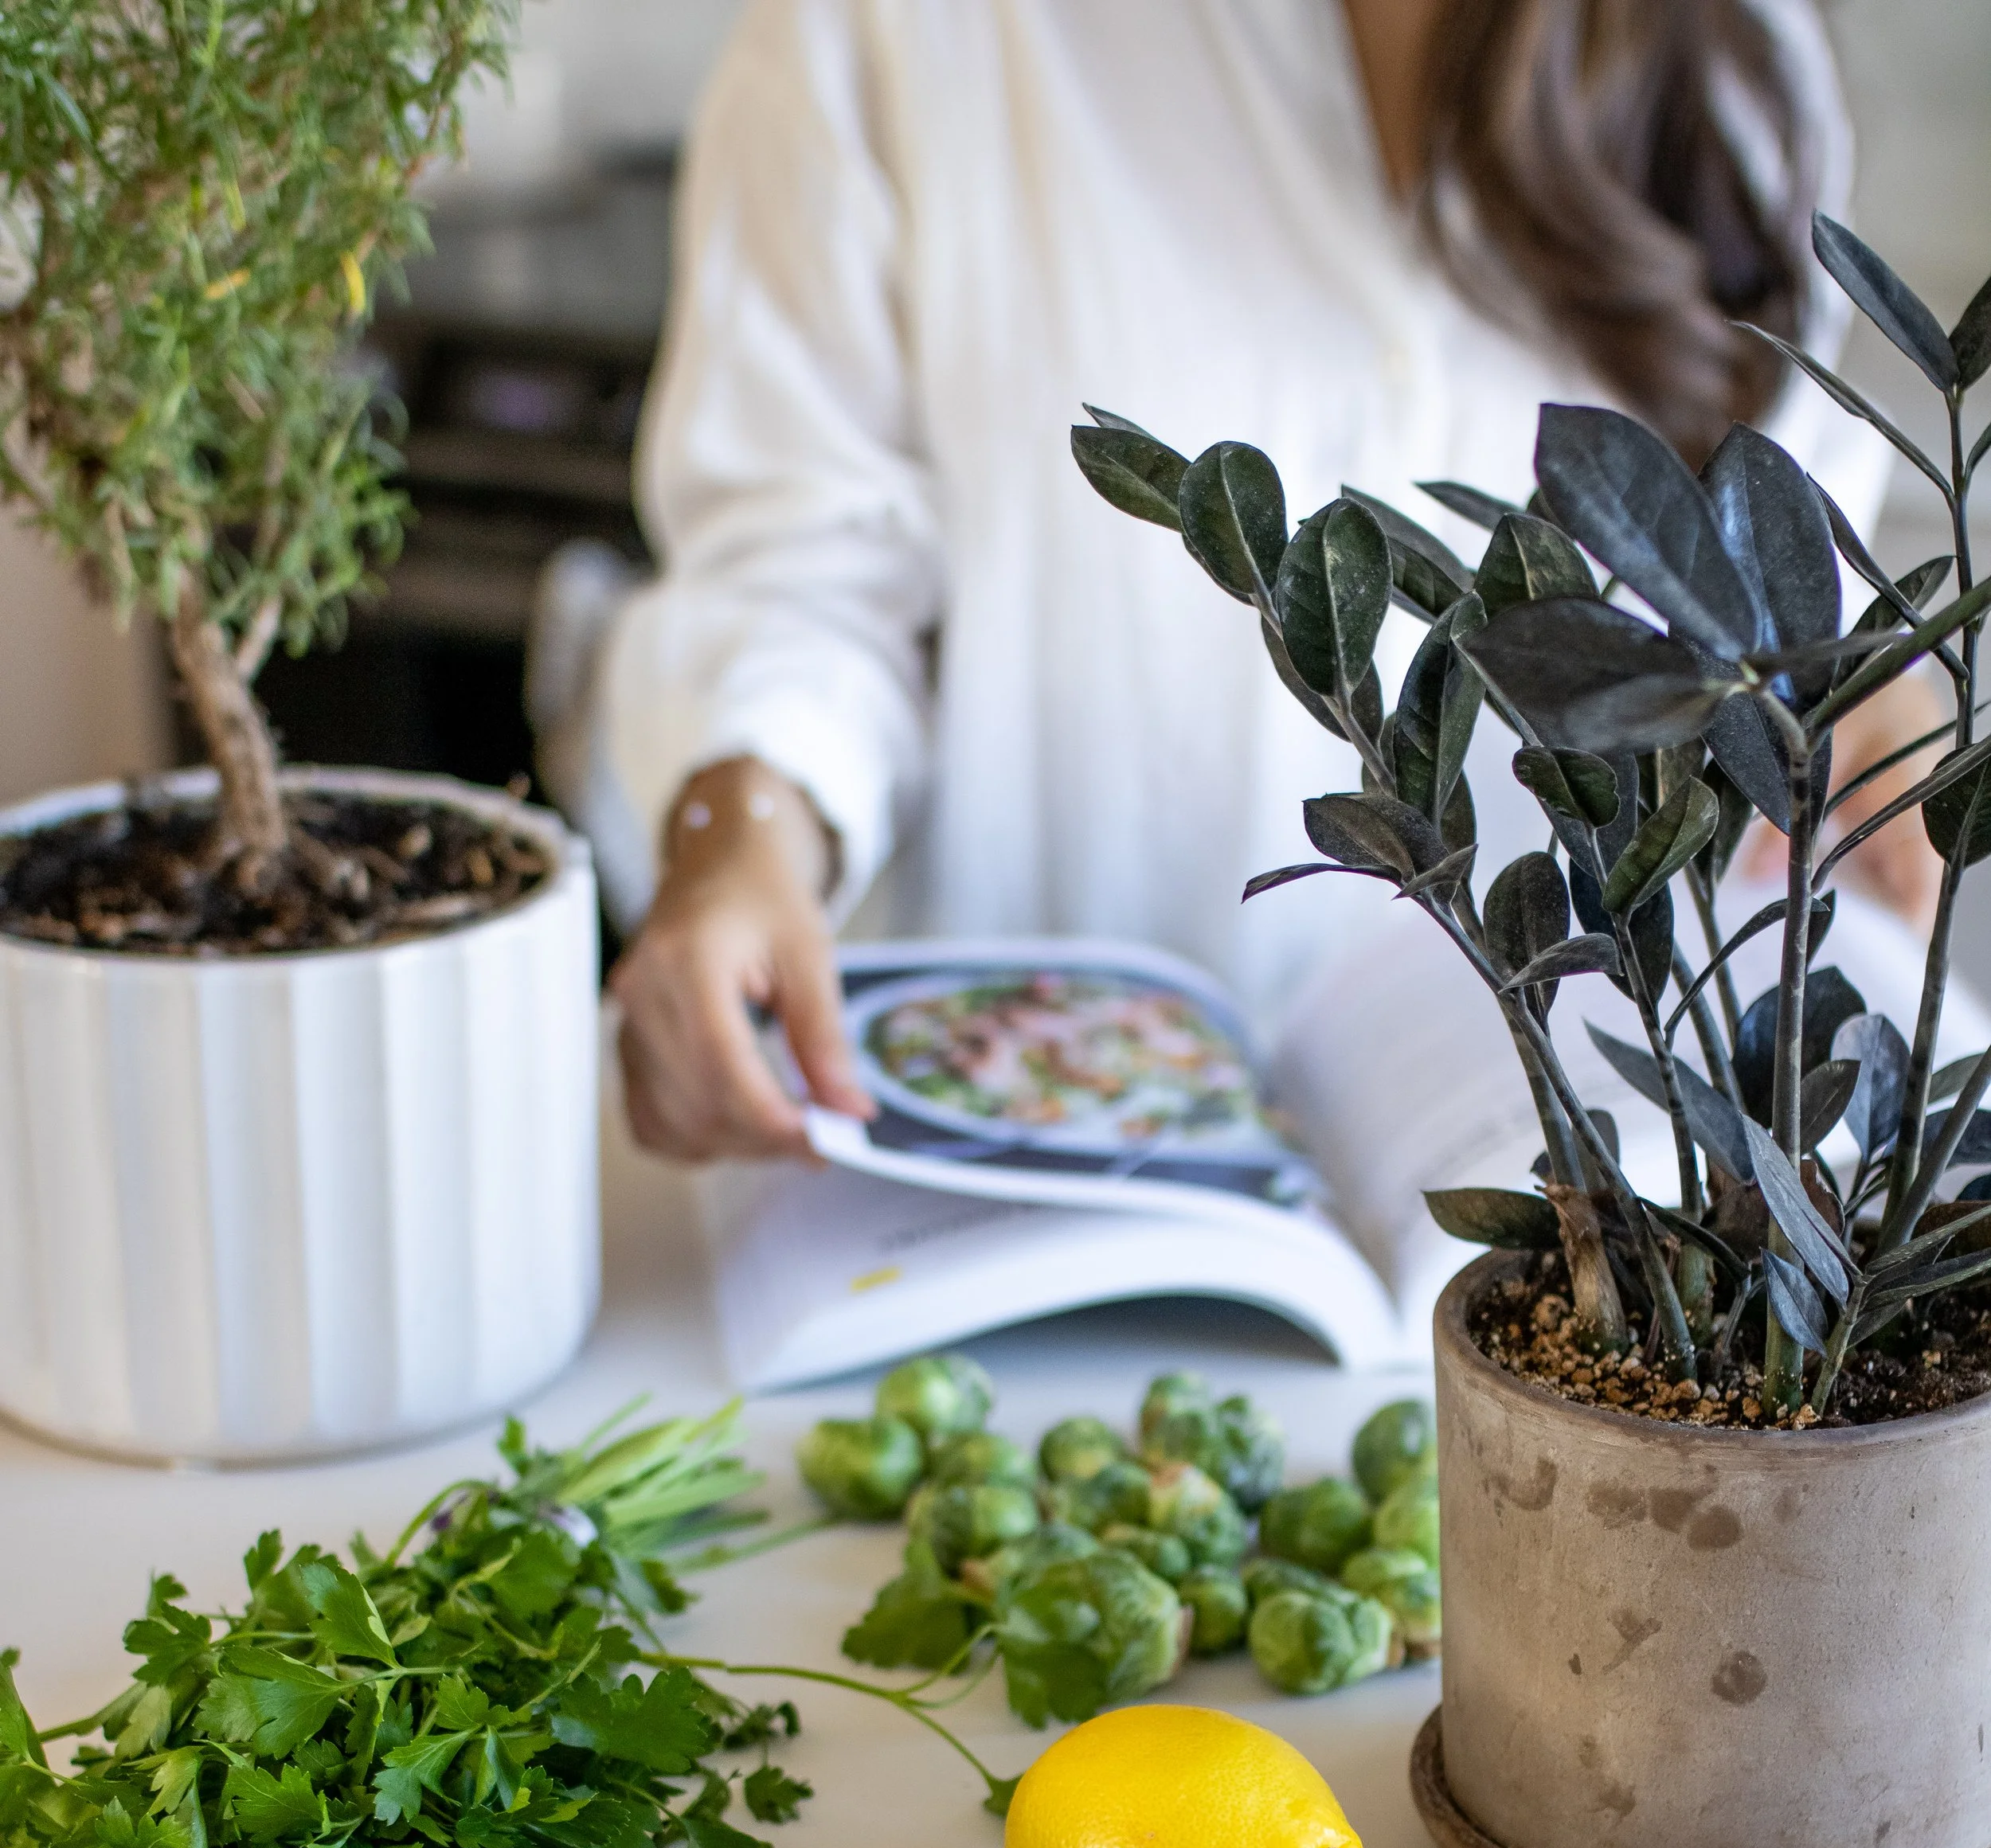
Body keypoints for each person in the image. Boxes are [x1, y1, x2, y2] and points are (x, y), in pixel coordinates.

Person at [590, 0, 1945, 1172]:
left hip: (1601, 1287)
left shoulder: (1739, 70)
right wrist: (740, 835)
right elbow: (806, 561)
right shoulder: (900, 34)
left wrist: (1849, 709)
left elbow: (1762, 612)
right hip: (1042, 1206)